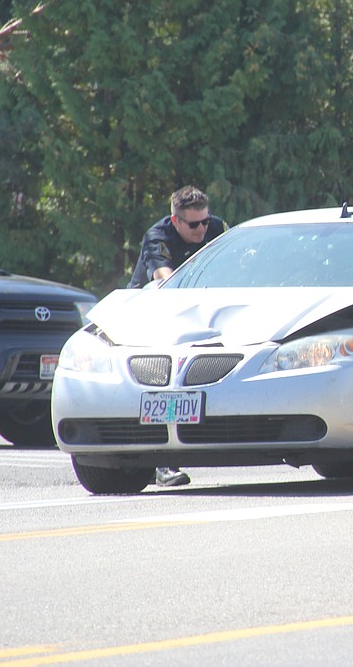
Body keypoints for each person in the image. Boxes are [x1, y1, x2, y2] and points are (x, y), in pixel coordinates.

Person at [129, 185, 230, 487]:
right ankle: (163, 463)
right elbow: (165, 280)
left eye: (205, 221)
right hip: (153, 317)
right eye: (193, 224)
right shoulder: (157, 237)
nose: (202, 229)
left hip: (201, 314)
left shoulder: (218, 228)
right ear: (176, 221)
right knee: (168, 385)